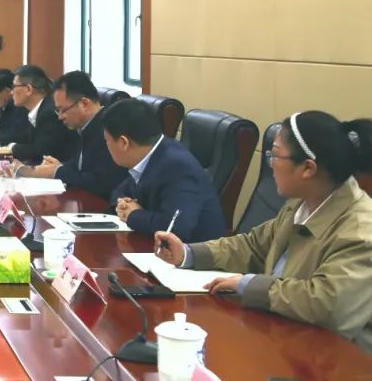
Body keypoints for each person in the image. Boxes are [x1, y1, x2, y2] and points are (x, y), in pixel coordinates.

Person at [155, 111, 372, 352]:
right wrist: (188, 253)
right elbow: (253, 246)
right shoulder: (303, 202)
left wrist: (247, 285)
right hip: (284, 337)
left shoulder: (361, 231)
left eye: (275, 155)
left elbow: (328, 304)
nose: (270, 164)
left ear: (308, 168)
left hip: (336, 358)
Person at [105, 99, 226, 243]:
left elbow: (176, 227)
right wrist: (123, 205)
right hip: (156, 246)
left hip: (194, 252)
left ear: (124, 143)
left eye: (107, 141)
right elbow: (119, 192)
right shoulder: (150, 154)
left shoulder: (176, 166)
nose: (106, 146)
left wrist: (133, 215)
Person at [15, 71, 127, 200]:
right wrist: (59, 166)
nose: (60, 117)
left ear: (84, 104)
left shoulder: (108, 129)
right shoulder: (83, 127)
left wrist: (57, 171)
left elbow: (102, 183)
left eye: (63, 110)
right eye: (57, 110)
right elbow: (78, 167)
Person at [4, 64, 77, 164]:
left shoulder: (49, 113)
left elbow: (40, 152)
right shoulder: (35, 110)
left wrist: (12, 147)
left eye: (14, 87)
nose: (11, 92)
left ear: (28, 89)